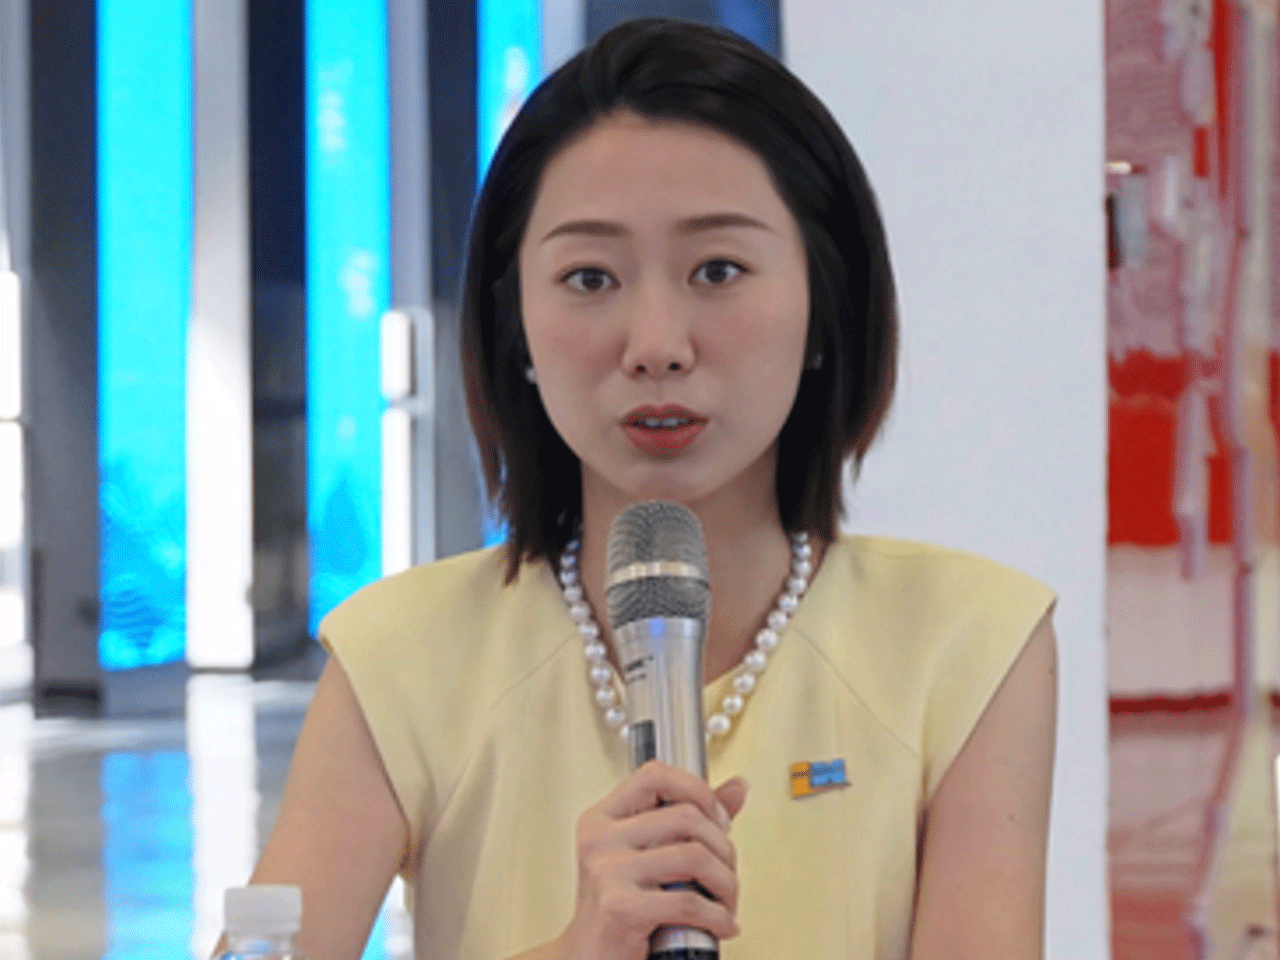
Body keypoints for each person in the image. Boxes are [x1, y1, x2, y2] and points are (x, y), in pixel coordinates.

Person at [243, 17, 1057, 960]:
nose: (656, 344)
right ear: (516, 329)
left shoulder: (967, 641)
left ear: (825, 305)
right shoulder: (400, 653)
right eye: (590, 277)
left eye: (718, 269)